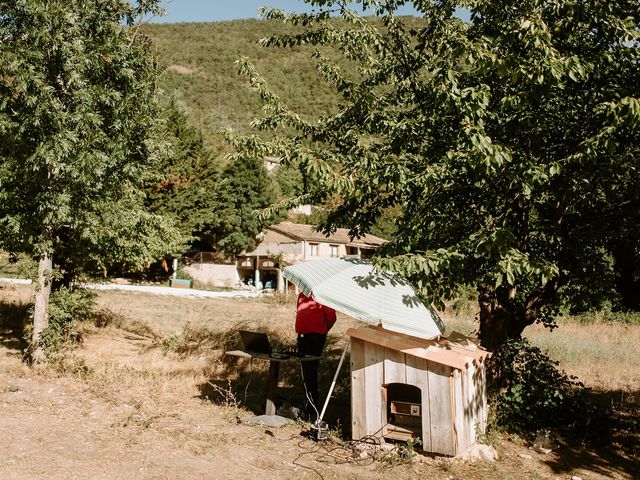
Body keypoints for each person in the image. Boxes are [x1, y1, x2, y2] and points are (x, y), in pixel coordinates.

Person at [295, 292, 336, 419]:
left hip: (316, 337)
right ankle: (309, 401)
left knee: (310, 368)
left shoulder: (322, 295)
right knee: (305, 369)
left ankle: (312, 403)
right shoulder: (302, 295)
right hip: (302, 336)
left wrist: (321, 331)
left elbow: (331, 318)